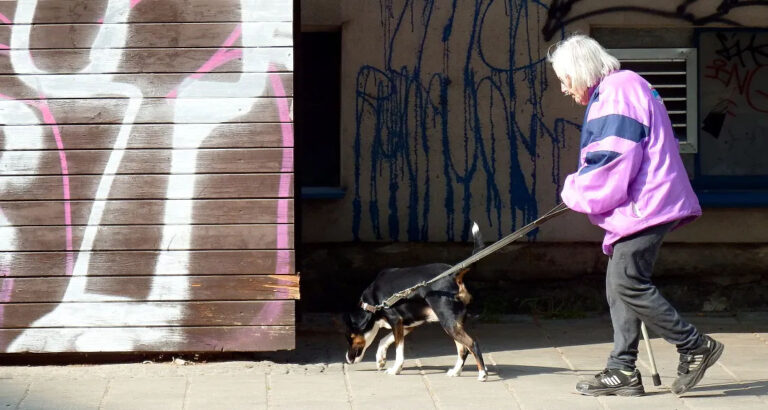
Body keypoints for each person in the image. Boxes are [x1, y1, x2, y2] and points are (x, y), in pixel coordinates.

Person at [547, 34, 724, 396]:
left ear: (580, 72)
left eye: (565, 79)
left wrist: (577, 191)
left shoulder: (617, 91)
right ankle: (622, 369)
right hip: (645, 203)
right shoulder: (621, 88)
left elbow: (613, 158)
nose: (565, 89)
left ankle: (694, 345)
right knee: (620, 285)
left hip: (647, 205)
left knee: (628, 282)